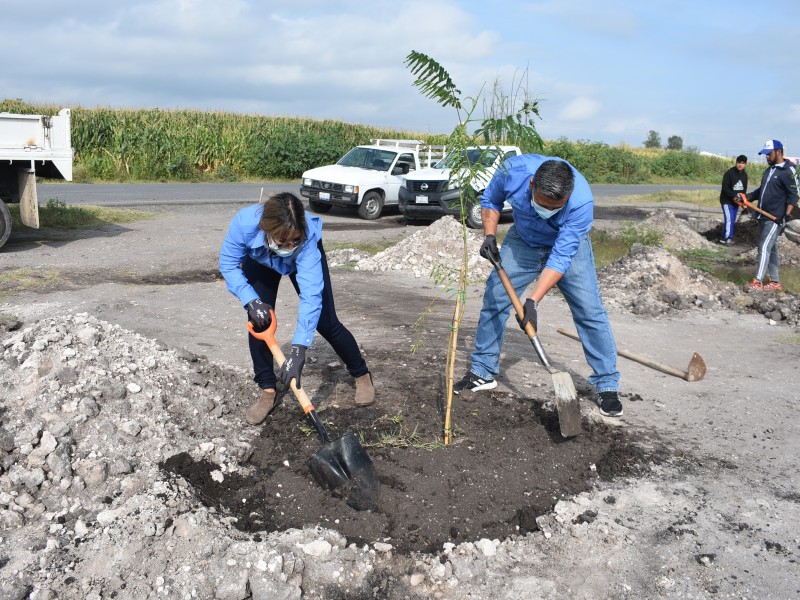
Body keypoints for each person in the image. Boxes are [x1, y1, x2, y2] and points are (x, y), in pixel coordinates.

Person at [454, 157, 623, 417]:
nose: (549, 211)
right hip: (523, 240)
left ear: (568, 196)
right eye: (544, 205)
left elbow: (561, 257)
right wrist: (489, 234)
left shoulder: (581, 203)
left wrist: (532, 301)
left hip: (567, 247)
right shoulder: (513, 172)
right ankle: (483, 371)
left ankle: (607, 384)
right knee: (496, 298)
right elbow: (491, 200)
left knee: (589, 310)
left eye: (557, 208)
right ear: (532, 184)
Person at [219, 192, 375, 425]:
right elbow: (228, 264)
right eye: (284, 242)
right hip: (262, 260)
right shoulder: (245, 224)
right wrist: (250, 300)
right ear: (266, 229)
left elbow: (311, 296)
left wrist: (299, 349)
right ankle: (267, 390)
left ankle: (361, 374)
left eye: (295, 240)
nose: (289, 247)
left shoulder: (307, 241)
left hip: (302, 260)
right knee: (261, 321)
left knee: (326, 321)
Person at [744, 140, 798, 292]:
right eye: (765, 154)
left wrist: (785, 215)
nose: (767, 157)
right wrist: (747, 197)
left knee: (763, 246)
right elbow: (762, 190)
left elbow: (794, 196)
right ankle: (775, 281)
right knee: (771, 248)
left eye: (769, 154)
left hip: (775, 218)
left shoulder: (788, 171)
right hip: (763, 216)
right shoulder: (770, 170)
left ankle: (757, 281)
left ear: (779, 152)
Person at [718, 155, 748, 244]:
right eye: (739, 162)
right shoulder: (729, 173)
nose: (740, 165)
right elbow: (725, 188)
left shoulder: (745, 176)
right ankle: (728, 238)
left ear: (745, 164)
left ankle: (723, 238)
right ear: (736, 163)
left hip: (736, 202)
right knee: (729, 220)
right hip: (726, 201)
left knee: (732, 220)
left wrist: (744, 201)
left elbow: (744, 190)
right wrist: (733, 196)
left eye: (742, 163)